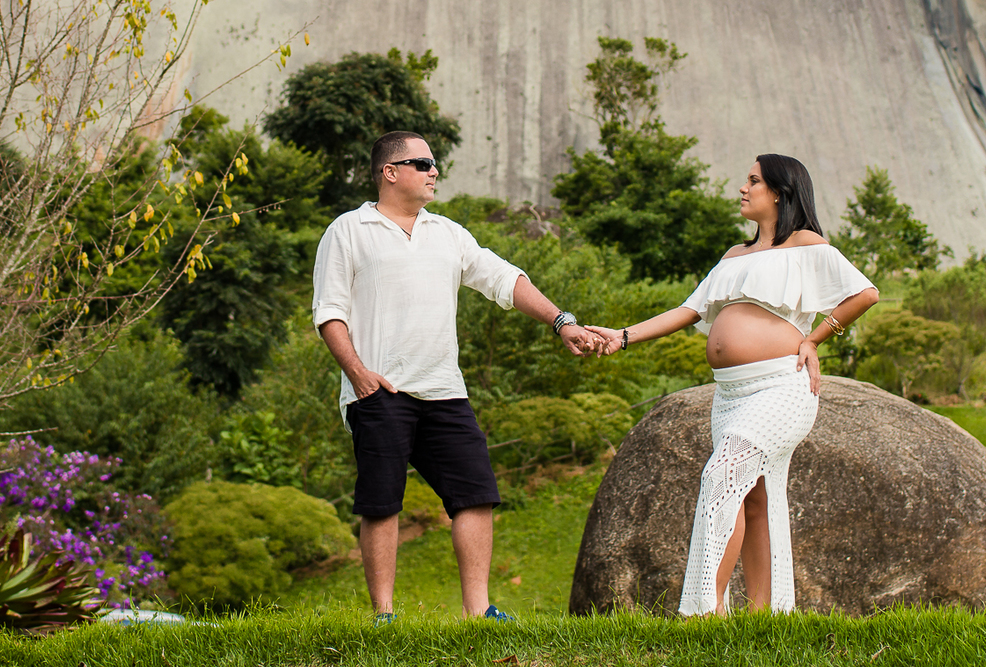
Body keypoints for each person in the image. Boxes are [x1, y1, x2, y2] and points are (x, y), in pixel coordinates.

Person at [312, 129, 596, 621]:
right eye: (423, 163)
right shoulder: (349, 230)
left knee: (476, 495)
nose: (434, 171)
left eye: (434, 163)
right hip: (381, 389)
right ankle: (384, 616)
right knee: (382, 502)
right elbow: (329, 312)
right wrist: (358, 375)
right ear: (390, 171)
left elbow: (504, 278)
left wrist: (561, 321)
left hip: (445, 390)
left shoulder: (447, 233)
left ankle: (479, 611)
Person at [589, 153, 878, 615]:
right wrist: (623, 336)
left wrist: (817, 337)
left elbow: (864, 292)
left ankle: (702, 611)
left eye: (753, 181)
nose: (743, 189)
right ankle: (765, 616)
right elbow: (689, 310)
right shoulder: (733, 256)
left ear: (781, 192)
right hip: (730, 395)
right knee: (755, 498)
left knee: (721, 475)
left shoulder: (805, 244)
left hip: (781, 388)